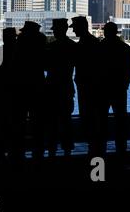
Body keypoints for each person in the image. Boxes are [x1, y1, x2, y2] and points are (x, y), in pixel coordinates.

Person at [11, 21, 46, 162]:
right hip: (38, 84)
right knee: (38, 119)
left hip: (21, 85)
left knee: (19, 119)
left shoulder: (21, 43)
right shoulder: (41, 42)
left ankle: (18, 148)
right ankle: (38, 147)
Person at [70, 16, 105, 157]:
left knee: (90, 115)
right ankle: (96, 147)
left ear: (81, 27)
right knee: (92, 115)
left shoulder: (85, 44)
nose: (73, 29)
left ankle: (95, 148)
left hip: (88, 86)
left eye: (75, 27)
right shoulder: (92, 42)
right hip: (90, 85)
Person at [101, 22, 130, 158]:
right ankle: (122, 147)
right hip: (120, 88)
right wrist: (125, 83)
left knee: (101, 119)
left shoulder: (100, 47)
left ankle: (101, 147)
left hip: (103, 89)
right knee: (121, 119)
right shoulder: (125, 48)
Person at [45, 19, 76, 157]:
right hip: (67, 86)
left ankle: (52, 147)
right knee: (66, 120)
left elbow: (44, 66)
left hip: (52, 86)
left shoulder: (51, 47)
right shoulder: (72, 46)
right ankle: (67, 147)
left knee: (51, 120)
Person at [0, 28, 17, 162]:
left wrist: (2, 78)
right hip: (17, 92)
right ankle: (15, 150)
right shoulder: (21, 54)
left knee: (1, 121)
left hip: (1, 90)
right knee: (17, 122)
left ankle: (0, 151)